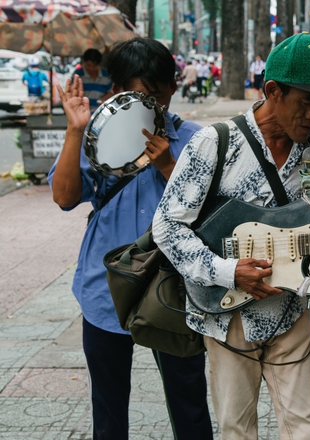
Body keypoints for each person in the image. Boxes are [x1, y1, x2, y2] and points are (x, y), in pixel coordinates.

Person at [152, 32, 310, 440]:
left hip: (291, 310)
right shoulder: (215, 143)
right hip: (227, 316)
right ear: (272, 91)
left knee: (307, 429)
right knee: (237, 430)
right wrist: (227, 271)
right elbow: (168, 227)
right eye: (307, 102)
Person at [48, 37, 213, 440]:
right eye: (137, 95)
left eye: (157, 95)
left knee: (188, 401)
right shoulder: (95, 138)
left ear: (174, 87)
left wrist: (167, 164)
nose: (150, 107)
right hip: (104, 291)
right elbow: (65, 197)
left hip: (173, 293)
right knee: (107, 408)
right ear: (118, 91)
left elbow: (214, 210)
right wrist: (74, 132)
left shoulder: (198, 140)